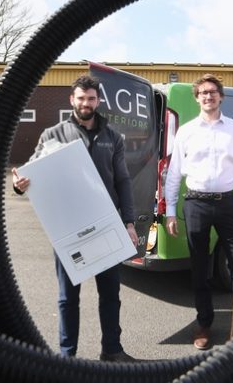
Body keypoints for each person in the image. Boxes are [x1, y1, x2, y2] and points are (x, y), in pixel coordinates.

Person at [12, 75, 138, 362]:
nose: (86, 103)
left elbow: (123, 181)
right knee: (68, 298)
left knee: (110, 294)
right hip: (68, 229)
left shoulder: (113, 137)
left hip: (105, 225)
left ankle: (112, 350)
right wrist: (19, 185)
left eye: (91, 98)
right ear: (72, 100)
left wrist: (129, 223)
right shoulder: (52, 135)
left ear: (98, 101)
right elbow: (31, 174)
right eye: (81, 98)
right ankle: (67, 356)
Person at [164, 73, 233, 351]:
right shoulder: (186, 131)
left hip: (227, 203)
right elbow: (174, 173)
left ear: (221, 96)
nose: (208, 96)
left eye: (212, 92)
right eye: (203, 93)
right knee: (199, 268)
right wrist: (170, 211)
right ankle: (204, 324)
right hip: (195, 203)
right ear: (197, 98)